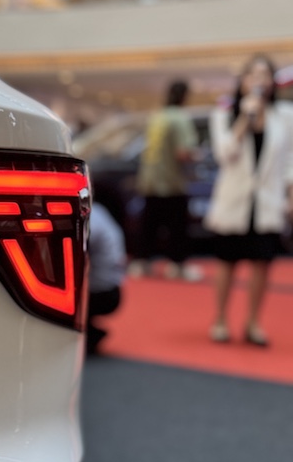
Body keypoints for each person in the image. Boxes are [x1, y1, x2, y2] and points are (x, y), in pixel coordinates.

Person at [204, 55, 293, 346]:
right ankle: (220, 319)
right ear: (242, 81)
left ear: (272, 82)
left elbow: (290, 161)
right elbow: (225, 154)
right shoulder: (224, 115)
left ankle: (253, 322)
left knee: (262, 264)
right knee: (227, 261)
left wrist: (290, 195)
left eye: (265, 75)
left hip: (267, 201)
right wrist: (245, 118)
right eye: (253, 75)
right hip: (234, 200)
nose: (259, 80)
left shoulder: (285, 115)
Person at [134, 79, 201, 280]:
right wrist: (197, 156)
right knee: (177, 226)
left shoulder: (157, 116)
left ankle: (141, 263)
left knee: (149, 225)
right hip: (171, 182)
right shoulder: (180, 118)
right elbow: (183, 152)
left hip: (150, 180)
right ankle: (177, 266)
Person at [87, 192, 127, 355]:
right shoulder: (99, 210)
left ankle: (90, 334)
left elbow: (82, 243)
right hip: (112, 287)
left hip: (102, 293)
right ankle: (90, 332)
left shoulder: (91, 216)